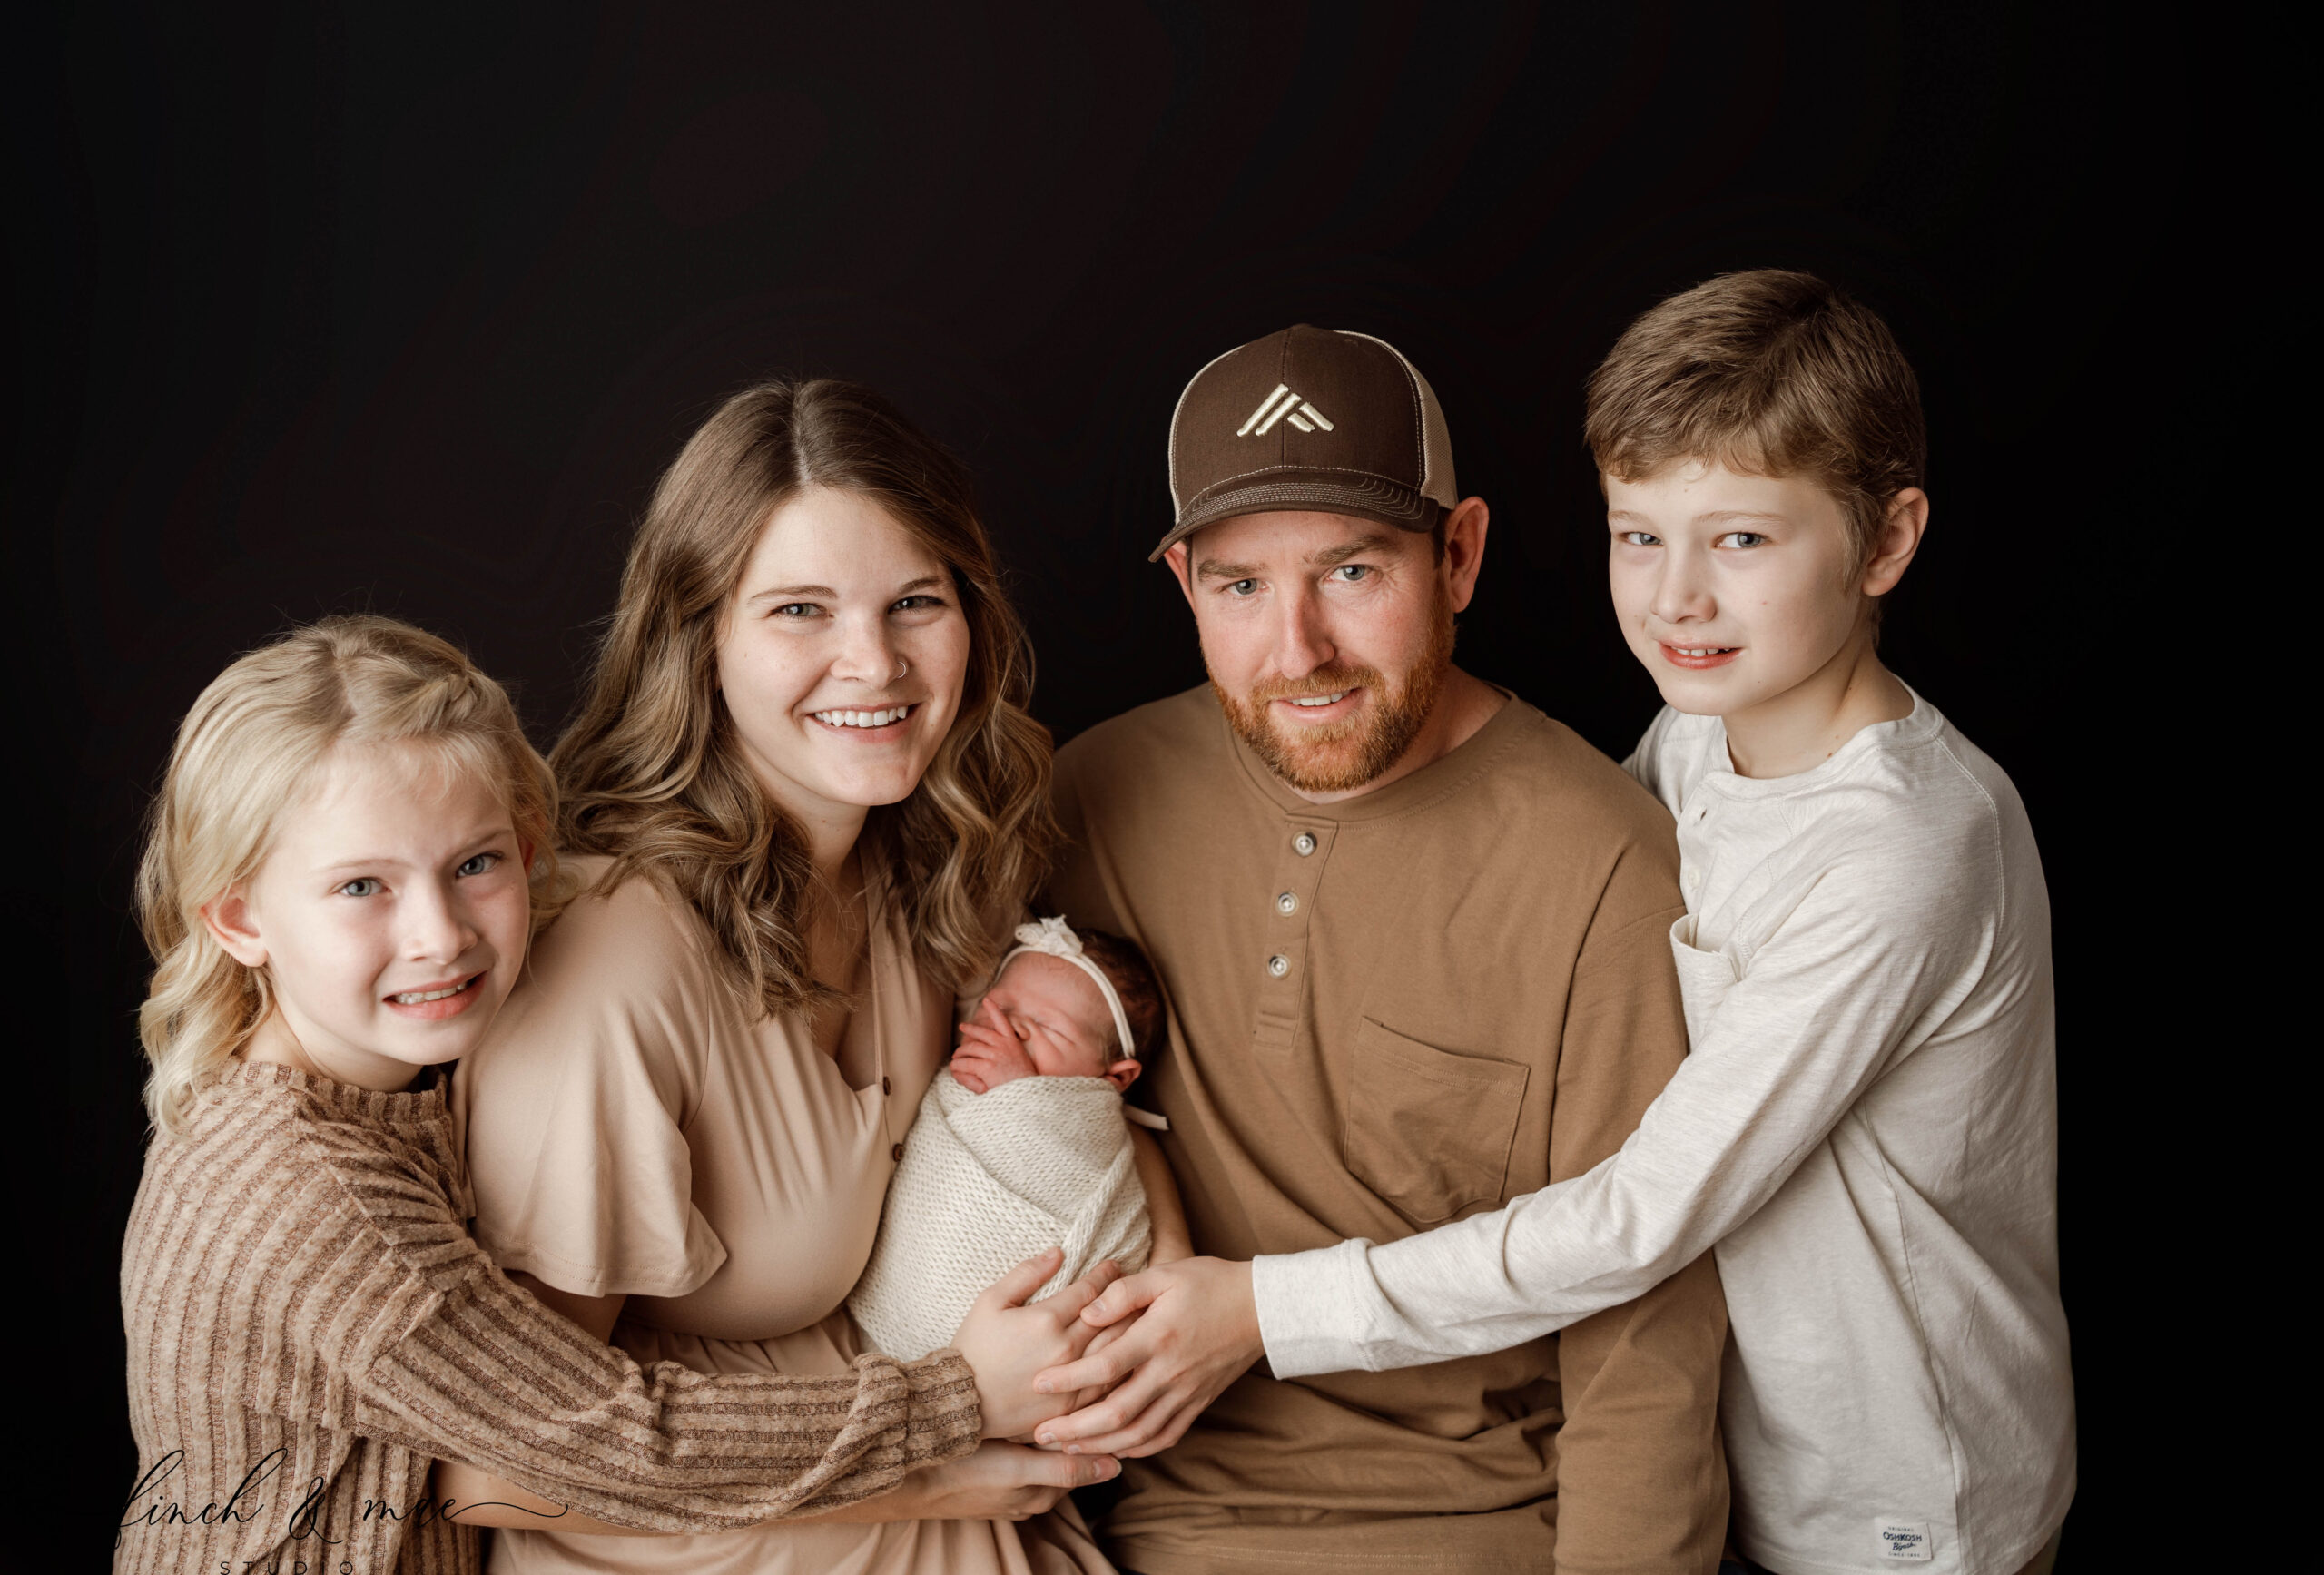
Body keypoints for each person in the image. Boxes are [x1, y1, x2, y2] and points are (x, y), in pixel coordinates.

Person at [1049, 276, 2075, 1575]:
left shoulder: (1905, 853)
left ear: (1885, 543)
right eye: (1639, 536)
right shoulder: (1700, 738)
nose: (1679, 599)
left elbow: (1642, 1216)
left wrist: (1263, 1305)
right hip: (1759, 1457)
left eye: (1744, 541)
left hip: (1904, 1498)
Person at [117, 615, 1105, 1574]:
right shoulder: (316, 1198)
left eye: (474, 864)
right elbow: (615, 1434)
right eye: (360, 887)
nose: (440, 933)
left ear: (532, 850)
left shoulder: (336, 1097)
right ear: (240, 917)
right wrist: (954, 1402)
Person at [1031, 325, 1732, 1573]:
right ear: (1187, 584)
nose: (1298, 649)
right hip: (1123, 1524)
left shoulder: (1606, 862)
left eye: (1352, 571)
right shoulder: (1093, 795)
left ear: (1457, 554)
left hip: (1470, 1530)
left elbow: (1648, 1343)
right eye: (1242, 585)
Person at [456, 379, 1176, 1574]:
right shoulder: (614, 964)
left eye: (915, 601)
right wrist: (934, 1446)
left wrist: (1175, 1305)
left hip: (949, 1494)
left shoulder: (920, 860)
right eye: (800, 608)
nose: (874, 661)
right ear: (701, 640)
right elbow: (496, 1466)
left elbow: (1070, 1102)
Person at [850, 916, 1173, 1363]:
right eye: (997, 1008)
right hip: (891, 1319)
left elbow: (1067, 1170)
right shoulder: (945, 1077)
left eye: (1047, 1028)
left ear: (1115, 1078)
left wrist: (1022, 1101)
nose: (1008, 1030)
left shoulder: (1084, 1133)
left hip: (1018, 1354)